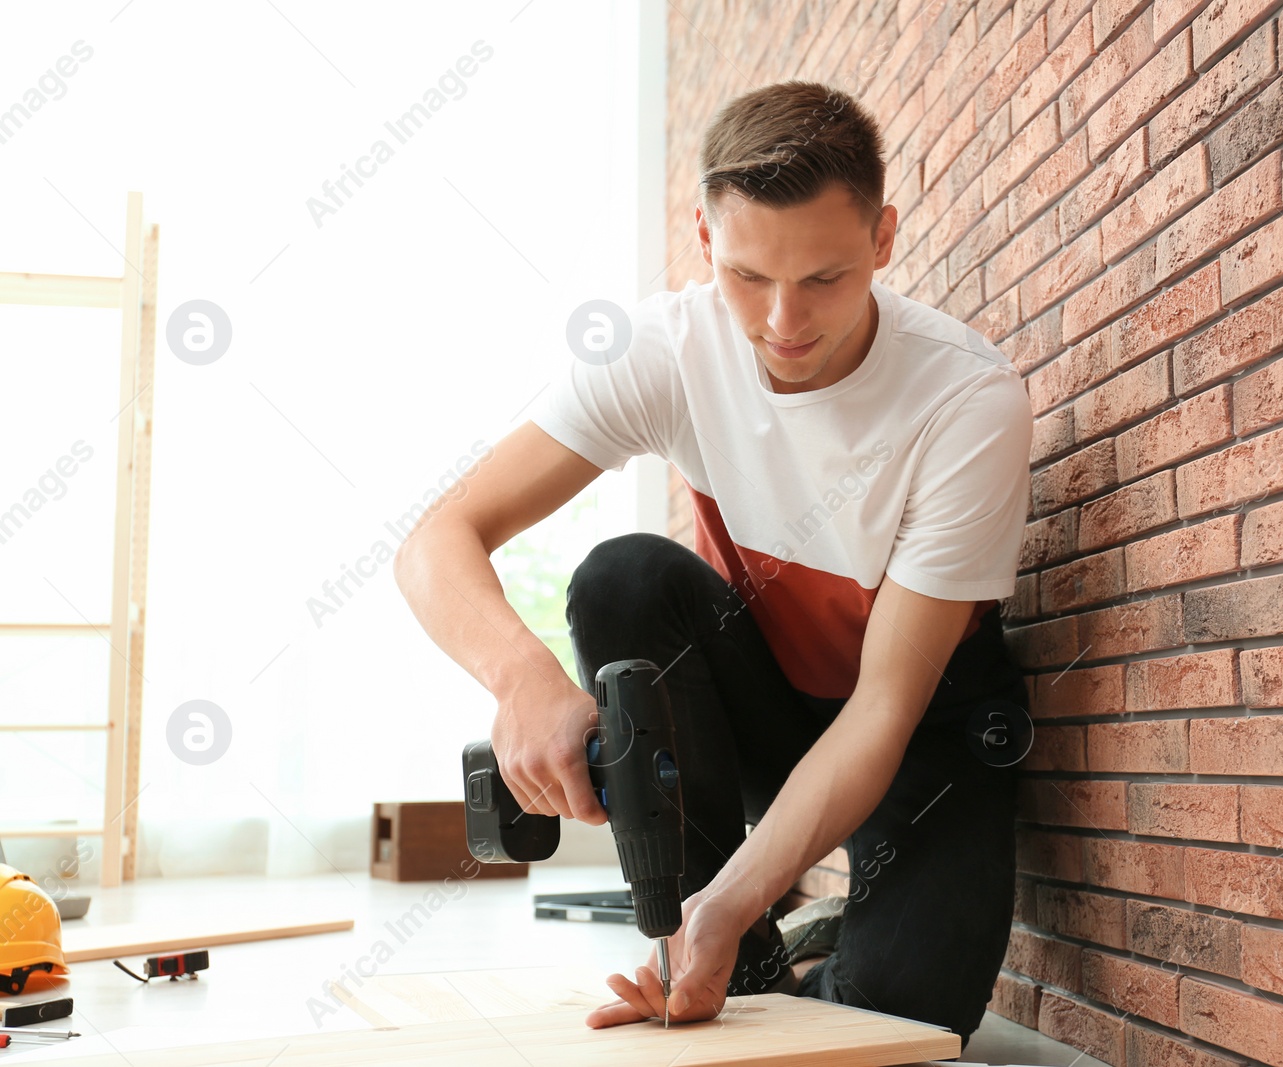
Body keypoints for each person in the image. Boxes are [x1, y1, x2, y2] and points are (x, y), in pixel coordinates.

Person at [393, 78, 1033, 1049]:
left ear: (883, 239)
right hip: (773, 699)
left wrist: (732, 905)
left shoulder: (966, 401)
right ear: (704, 237)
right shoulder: (664, 348)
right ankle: (721, 928)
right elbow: (436, 536)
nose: (783, 321)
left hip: (923, 727)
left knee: (886, 1031)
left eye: (823, 277)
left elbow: (880, 711)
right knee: (625, 578)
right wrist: (521, 679)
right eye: (747, 276)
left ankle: (776, 935)